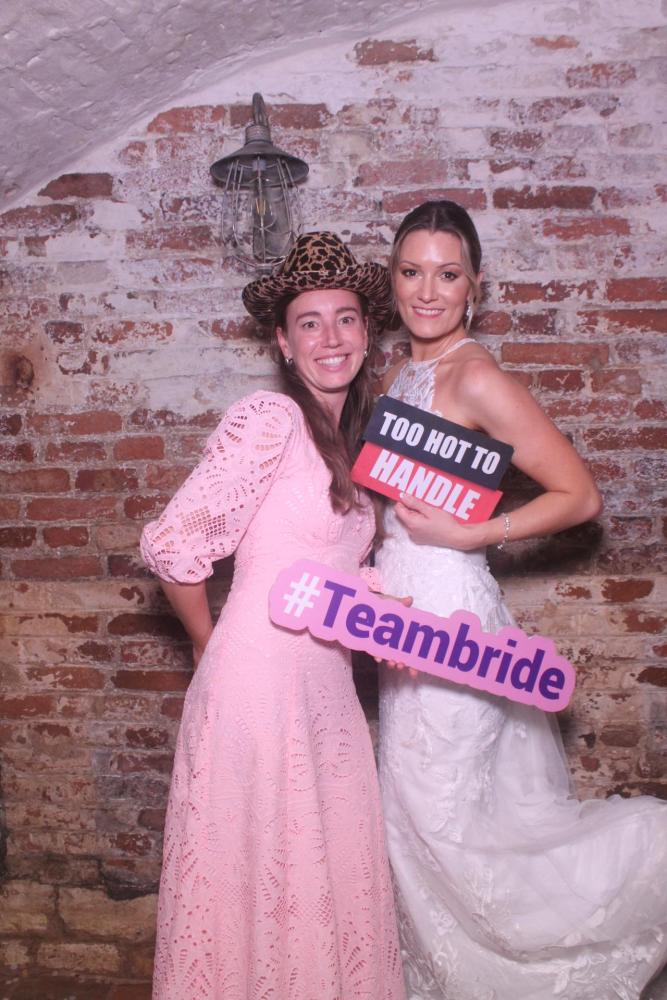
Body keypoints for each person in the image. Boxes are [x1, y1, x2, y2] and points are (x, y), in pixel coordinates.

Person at [375, 200, 667, 999]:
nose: (426, 291)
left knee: (447, 829)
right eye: (410, 272)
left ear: (474, 285)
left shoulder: (475, 376)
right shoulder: (402, 374)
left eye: (446, 274)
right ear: (391, 279)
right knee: (418, 823)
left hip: (451, 619)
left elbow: (579, 495)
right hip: (402, 617)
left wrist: (472, 534)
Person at [141, 232, 405, 1000]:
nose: (331, 337)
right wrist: (206, 641)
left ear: (366, 332)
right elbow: (173, 545)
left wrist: (381, 607)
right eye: (309, 323)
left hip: (326, 689)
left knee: (322, 877)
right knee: (259, 879)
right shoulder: (271, 418)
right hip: (258, 689)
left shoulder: (352, 444)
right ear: (284, 344)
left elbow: (322, 567)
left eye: (345, 319)